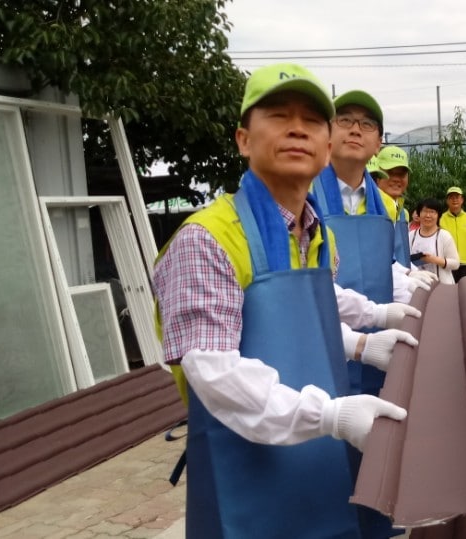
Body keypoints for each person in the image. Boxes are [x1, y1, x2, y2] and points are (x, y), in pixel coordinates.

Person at [152, 63, 409, 538]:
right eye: (276, 115)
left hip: (316, 455)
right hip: (245, 461)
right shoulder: (206, 239)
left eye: (312, 120)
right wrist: (330, 415)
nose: (297, 128)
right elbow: (215, 373)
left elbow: (309, 314)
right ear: (244, 139)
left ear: (325, 146)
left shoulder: (315, 234)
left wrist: (362, 343)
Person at [312, 89, 432, 307]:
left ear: (378, 144)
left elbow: (384, 265)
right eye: (345, 120)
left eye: (367, 124)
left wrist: (406, 283)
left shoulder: (382, 206)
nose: (356, 130)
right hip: (323, 332)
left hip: (382, 334)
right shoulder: (304, 195)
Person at [375, 145, 414, 269]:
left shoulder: (403, 213)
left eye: (402, 174)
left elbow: (401, 253)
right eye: (390, 173)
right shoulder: (369, 209)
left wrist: (412, 270)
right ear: (377, 174)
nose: (397, 179)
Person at [409, 198, 460, 284]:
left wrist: (433, 260)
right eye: (424, 211)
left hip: (441, 287)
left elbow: (456, 263)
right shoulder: (411, 235)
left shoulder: (444, 236)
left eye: (432, 212)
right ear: (419, 214)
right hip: (417, 286)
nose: (428, 215)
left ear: (438, 215)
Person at [440, 186, 466, 281]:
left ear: (462, 200)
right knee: (449, 291)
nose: (454, 200)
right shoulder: (440, 218)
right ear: (447, 201)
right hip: (448, 262)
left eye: (457, 197)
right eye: (451, 197)